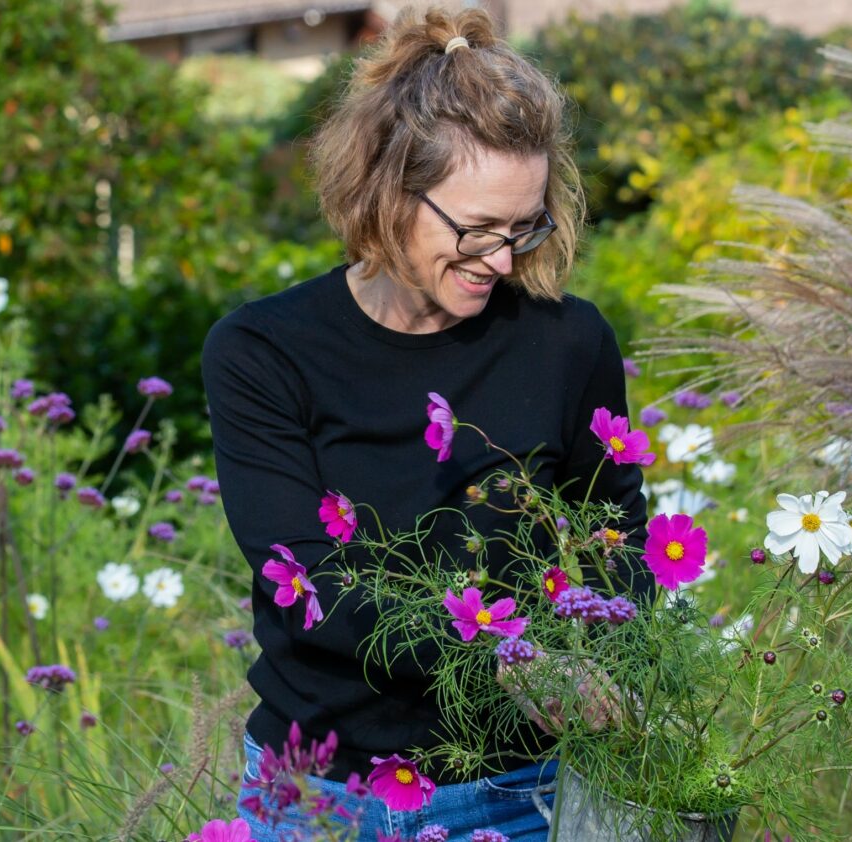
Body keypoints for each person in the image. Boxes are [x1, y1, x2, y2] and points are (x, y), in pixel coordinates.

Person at [202, 9, 647, 840]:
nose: (503, 260)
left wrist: (614, 659)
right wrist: (510, 661)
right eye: (476, 229)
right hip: (318, 796)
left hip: (521, 793)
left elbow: (616, 530)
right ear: (386, 191)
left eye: (525, 226)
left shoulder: (570, 342)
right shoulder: (263, 352)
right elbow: (311, 587)